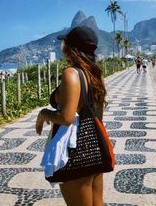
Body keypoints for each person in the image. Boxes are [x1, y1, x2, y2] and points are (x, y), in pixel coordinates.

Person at [36, 26, 108, 206]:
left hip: (76, 153)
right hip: (94, 149)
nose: (62, 44)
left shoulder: (71, 73)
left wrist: (43, 114)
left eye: (64, 41)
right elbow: (98, 115)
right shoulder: (95, 73)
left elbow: (66, 117)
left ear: (71, 46)